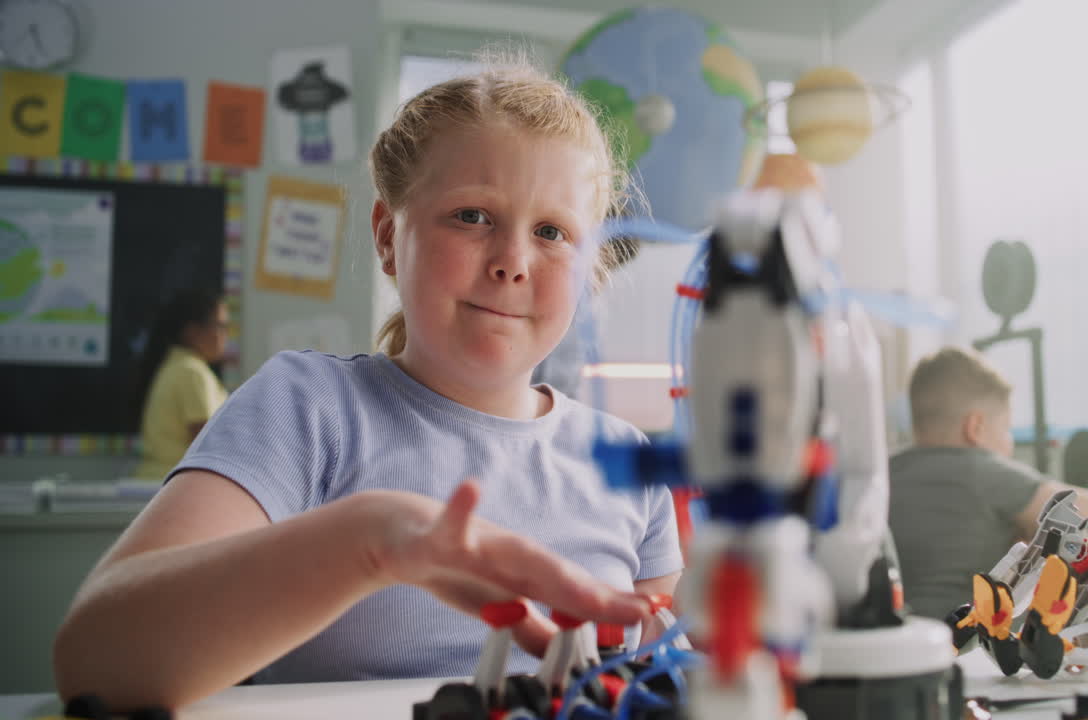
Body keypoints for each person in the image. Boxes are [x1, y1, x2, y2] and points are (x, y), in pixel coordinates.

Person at [54, 61, 683, 712]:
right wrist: (369, 545)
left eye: (552, 232)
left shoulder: (629, 463)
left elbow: (668, 677)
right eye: (471, 216)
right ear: (388, 237)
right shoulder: (308, 408)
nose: (512, 262)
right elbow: (94, 661)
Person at [888, 346, 1088, 621]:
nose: (1008, 441)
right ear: (975, 427)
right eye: (1005, 428)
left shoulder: (884, 474)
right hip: (969, 649)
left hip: (895, 649)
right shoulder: (982, 471)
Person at [132, 289, 230, 480]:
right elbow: (208, 444)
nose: (225, 335)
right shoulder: (191, 371)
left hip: (162, 484)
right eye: (220, 326)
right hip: (172, 485)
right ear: (192, 331)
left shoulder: (178, 365)